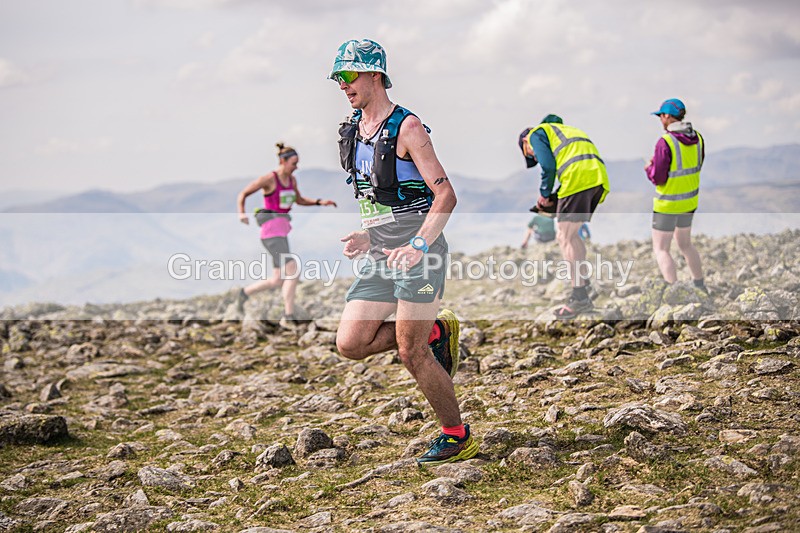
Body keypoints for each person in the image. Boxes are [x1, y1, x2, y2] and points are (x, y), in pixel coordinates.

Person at [329, 38, 477, 465]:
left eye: (348, 75)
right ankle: (437, 331)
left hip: (419, 251)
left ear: (374, 74)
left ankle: (457, 435)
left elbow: (444, 195)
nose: (342, 85)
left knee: (409, 352)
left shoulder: (407, 127)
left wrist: (417, 244)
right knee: (351, 343)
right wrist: (366, 235)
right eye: (338, 78)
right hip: (380, 252)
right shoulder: (353, 131)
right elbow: (383, 200)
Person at [519, 114, 610, 319]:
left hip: (578, 179)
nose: (533, 157)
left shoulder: (536, 134)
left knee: (564, 237)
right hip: (596, 178)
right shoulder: (567, 132)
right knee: (573, 235)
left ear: (525, 142)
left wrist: (544, 195)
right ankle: (584, 286)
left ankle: (579, 297)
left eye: (530, 155)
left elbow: (548, 167)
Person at [235, 143, 337, 320]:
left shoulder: (292, 181)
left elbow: (299, 200)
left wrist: (320, 202)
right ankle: (289, 315)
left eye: (297, 163)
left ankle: (243, 293)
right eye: (293, 163)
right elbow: (243, 193)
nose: (296, 167)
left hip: (282, 234)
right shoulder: (269, 179)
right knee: (293, 271)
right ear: (282, 161)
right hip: (270, 234)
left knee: (278, 280)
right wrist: (241, 214)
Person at [645, 98, 707, 293]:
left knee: (661, 249)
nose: (660, 120)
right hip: (689, 201)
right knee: (686, 245)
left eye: (660, 116)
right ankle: (699, 284)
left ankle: (675, 291)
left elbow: (659, 177)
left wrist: (649, 168)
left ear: (666, 117)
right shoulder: (698, 138)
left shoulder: (665, 142)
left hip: (668, 204)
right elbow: (698, 164)